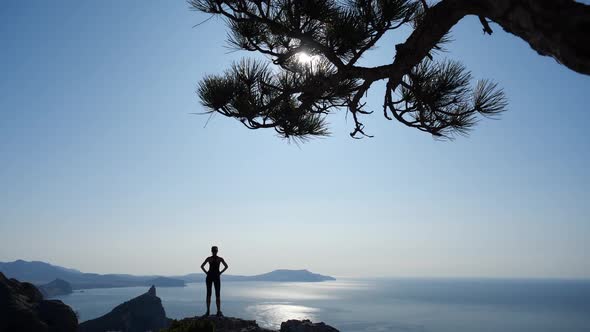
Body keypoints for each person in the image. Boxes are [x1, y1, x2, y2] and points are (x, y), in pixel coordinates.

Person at [200, 246, 228, 317]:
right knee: (216, 294)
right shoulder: (220, 259)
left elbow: (202, 266)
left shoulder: (209, 258)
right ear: (216, 251)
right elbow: (226, 266)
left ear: (212, 251)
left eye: (214, 251)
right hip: (216, 277)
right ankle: (217, 311)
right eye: (214, 251)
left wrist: (207, 273)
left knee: (210, 294)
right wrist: (220, 272)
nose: (214, 252)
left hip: (210, 276)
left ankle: (209, 311)